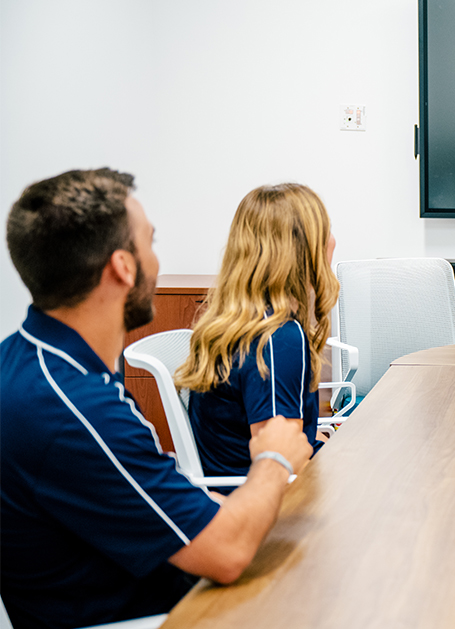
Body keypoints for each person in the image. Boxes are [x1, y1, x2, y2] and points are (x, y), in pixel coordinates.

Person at [1, 169, 314, 629]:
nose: (156, 258)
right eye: (150, 240)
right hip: (158, 615)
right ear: (123, 266)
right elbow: (227, 553)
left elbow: (143, 493)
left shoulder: (32, 363)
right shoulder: (76, 409)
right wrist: (274, 459)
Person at [176, 184, 338, 479]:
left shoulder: (242, 322)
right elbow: (280, 462)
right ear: (303, 251)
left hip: (236, 492)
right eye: (325, 232)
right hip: (266, 507)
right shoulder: (278, 339)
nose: (333, 241)